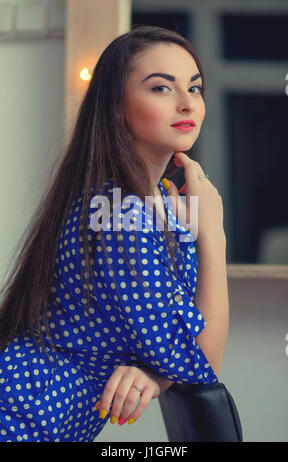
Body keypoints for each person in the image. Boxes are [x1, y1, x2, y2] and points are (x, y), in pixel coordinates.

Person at [0, 25, 229, 442]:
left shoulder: (144, 202)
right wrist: (212, 230)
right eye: (161, 88)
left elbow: (181, 349)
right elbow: (199, 360)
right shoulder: (121, 213)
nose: (186, 104)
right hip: (24, 420)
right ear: (117, 107)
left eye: (194, 89)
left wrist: (155, 373)